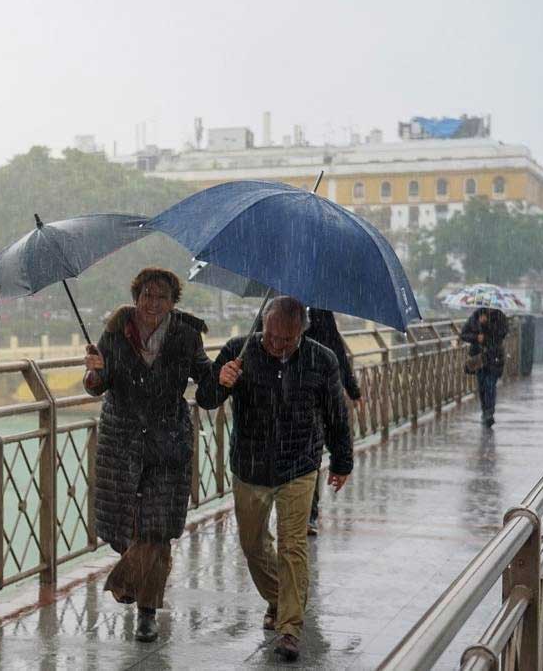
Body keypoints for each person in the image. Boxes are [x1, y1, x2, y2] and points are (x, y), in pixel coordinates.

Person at [196, 296, 353, 662]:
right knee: (252, 545)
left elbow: (335, 414)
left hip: (299, 465)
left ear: (302, 332)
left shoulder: (321, 359)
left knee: (292, 545)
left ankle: (290, 628)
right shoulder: (240, 349)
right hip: (250, 465)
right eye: (271, 336)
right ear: (263, 325)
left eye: (287, 339)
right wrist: (220, 381)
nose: (277, 345)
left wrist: (342, 461)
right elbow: (206, 398)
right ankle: (279, 597)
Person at [83, 267, 213, 643]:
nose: (153, 303)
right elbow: (98, 385)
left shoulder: (186, 335)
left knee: (156, 531)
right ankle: (135, 580)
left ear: (173, 302)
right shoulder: (115, 331)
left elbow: (204, 377)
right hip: (121, 442)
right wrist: (93, 372)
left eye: (162, 297)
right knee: (129, 531)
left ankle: (145, 610)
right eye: (147, 295)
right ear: (136, 296)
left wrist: (222, 377)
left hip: (167, 442)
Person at [304, 308, 362, 537]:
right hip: (280, 400)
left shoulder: (319, 313)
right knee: (305, 456)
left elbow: (336, 353)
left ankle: (307, 514)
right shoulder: (273, 310)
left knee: (308, 456)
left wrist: (352, 389)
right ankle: (303, 513)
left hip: (313, 396)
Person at [459, 307, 508, 428]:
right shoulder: (476, 315)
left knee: (490, 385)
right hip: (479, 359)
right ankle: (485, 410)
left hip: (494, 357)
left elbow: (502, 334)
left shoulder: (499, 316)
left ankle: (489, 413)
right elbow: (464, 334)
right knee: (482, 387)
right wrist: (476, 337)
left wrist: (486, 326)